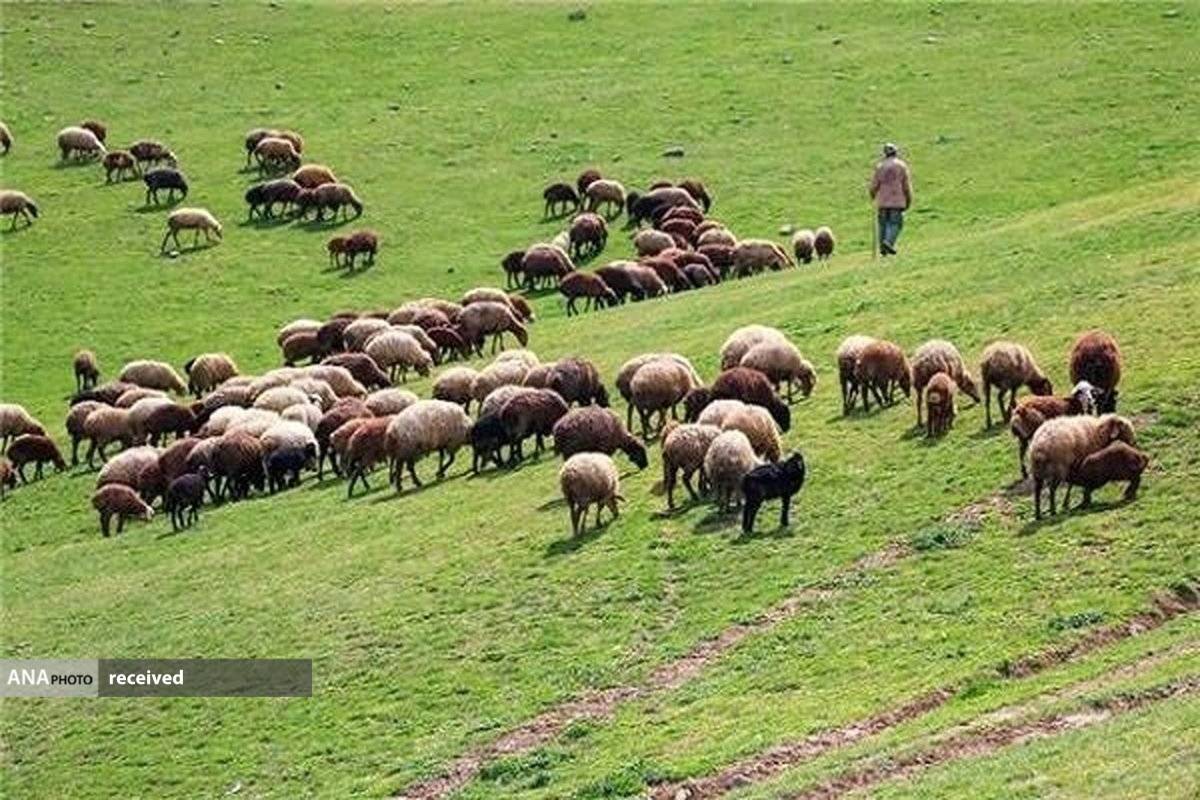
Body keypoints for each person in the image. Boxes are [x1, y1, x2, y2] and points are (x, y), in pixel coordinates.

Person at [869, 142, 912, 256]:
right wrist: (908, 199)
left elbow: (873, 186)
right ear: (895, 152)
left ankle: (883, 250)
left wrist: (873, 195)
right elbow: (906, 186)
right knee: (895, 224)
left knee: (882, 224)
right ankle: (888, 243)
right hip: (897, 201)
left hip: (882, 202)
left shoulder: (880, 167)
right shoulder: (901, 166)